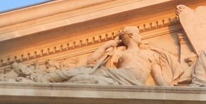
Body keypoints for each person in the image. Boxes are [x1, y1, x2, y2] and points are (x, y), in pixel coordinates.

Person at [17, 26, 175, 86]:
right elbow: (92, 61)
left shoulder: (150, 54)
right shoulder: (119, 52)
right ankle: (44, 80)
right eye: (138, 33)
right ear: (131, 36)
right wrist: (106, 45)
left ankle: (48, 81)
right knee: (81, 72)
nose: (141, 36)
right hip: (115, 75)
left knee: (82, 77)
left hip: (129, 81)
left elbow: (160, 79)